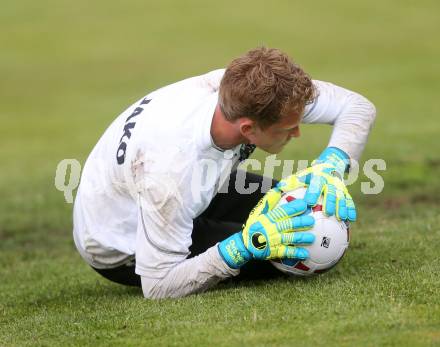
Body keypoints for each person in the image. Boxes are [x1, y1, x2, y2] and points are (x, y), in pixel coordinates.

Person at [73, 47, 376, 299]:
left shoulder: (240, 92)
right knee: (303, 243)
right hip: (121, 242)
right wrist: (241, 248)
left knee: (310, 215)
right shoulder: (170, 172)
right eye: (288, 128)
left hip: (193, 186)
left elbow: (357, 107)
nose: (297, 133)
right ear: (248, 129)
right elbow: (159, 285)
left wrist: (331, 168)